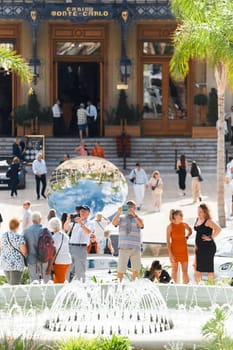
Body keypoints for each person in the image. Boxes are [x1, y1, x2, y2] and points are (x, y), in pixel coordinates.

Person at [112, 200, 144, 281]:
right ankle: (119, 287)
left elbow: (141, 225)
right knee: (120, 270)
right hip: (123, 248)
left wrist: (134, 215)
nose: (129, 208)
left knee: (135, 270)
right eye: (128, 206)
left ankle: (135, 287)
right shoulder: (121, 218)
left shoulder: (138, 218)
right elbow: (114, 223)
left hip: (135, 248)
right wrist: (119, 212)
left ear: (135, 208)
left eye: (131, 206)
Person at [64, 205, 94, 281]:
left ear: (88, 213)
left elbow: (88, 231)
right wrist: (68, 220)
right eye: (81, 211)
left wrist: (81, 223)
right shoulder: (75, 223)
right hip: (71, 247)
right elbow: (66, 228)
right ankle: (66, 284)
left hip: (81, 248)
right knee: (68, 269)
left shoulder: (90, 223)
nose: (82, 212)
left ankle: (81, 286)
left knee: (80, 270)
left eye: (84, 211)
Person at [193, 203, 221, 284]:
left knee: (209, 268)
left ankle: (211, 286)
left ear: (205, 212)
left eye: (201, 211)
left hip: (208, 248)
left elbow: (218, 229)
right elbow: (198, 233)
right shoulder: (197, 219)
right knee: (197, 267)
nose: (199, 213)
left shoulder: (208, 221)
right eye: (198, 211)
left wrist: (210, 237)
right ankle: (199, 286)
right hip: (199, 248)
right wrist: (196, 245)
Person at [23, 211, 52, 283]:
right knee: (46, 280)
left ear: (32, 220)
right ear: (40, 219)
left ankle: (35, 294)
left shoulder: (26, 231)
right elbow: (51, 244)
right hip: (44, 258)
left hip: (31, 258)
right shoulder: (45, 230)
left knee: (34, 281)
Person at [166, 209, 192, 284]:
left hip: (184, 251)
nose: (182, 216)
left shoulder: (184, 225)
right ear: (175, 216)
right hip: (174, 251)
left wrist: (187, 236)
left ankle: (186, 289)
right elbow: (168, 241)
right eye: (180, 215)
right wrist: (170, 254)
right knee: (174, 270)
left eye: (182, 215)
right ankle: (173, 288)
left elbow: (190, 230)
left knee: (185, 272)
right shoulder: (170, 227)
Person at [1, 218, 27, 285]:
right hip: (16, 264)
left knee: (11, 285)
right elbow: (24, 251)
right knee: (15, 286)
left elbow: (1, 248)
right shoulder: (19, 236)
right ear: (18, 226)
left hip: (6, 264)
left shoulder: (3, 236)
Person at [48, 217, 71, 283]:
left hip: (59, 262)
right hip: (67, 260)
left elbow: (53, 253)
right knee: (62, 279)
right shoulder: (65, 236)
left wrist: (50, 265)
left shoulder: (53, 238)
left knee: (59, 282)